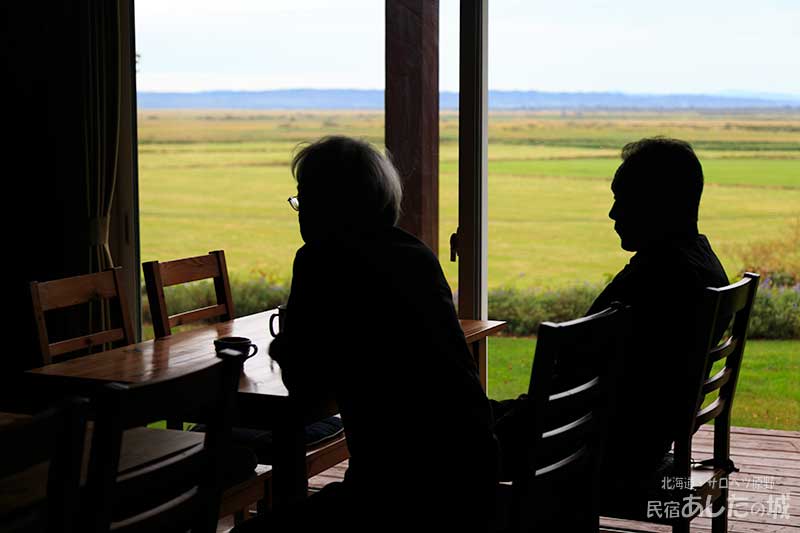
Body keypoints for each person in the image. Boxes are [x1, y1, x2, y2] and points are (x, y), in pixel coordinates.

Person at [235, 136, 498, 532]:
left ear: (332, 203)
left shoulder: (322, 259)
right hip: (473, 470)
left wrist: (284, 343)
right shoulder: (414, 253)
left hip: (397, 494)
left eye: (304, 198)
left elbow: (304, 386)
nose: (301, 212)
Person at [492, 137, 729, 496]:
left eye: (624, 199)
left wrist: (505, 423)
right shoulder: (702, 262)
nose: (613, 213)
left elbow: (569, 379)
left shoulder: (656, 280)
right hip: (634, 442)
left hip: (590, 453)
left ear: (659, 204)